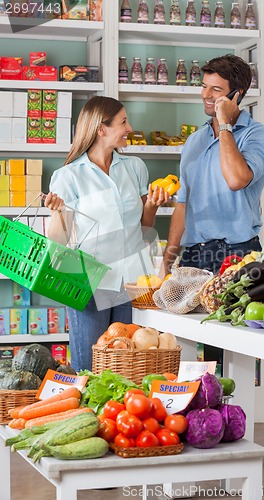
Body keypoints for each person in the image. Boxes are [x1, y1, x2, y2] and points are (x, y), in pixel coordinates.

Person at [44, 96, 168, 372]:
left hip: (133, 282)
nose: (129, 127)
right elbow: (58, 242)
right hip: (90, 281)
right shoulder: (68, 176)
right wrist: (56, 213)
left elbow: (144, 226)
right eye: (123, 122)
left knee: (132, 364)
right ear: (101, 129)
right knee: (88, 365)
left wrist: (151, 205)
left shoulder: (135, 167)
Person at [163, 54, 264, 276]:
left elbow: (236, 180)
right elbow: (183, 205)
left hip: (238, 253)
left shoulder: (259, 135)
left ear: (237, 95)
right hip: (193, 254)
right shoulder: (194, 140)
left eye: (216, 90)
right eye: (204, 86)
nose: (205, 95)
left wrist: (224, 123)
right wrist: (167, 263)